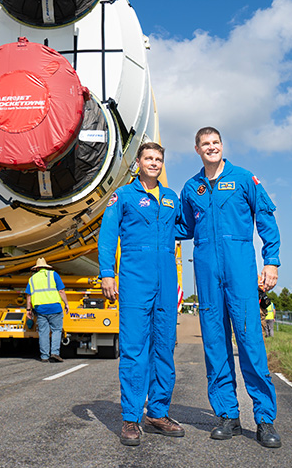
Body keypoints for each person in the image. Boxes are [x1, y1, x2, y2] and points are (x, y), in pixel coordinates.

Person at [178, 126, 283, 449]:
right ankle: (228, 416)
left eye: (216, 142)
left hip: (240, 272)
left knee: (251, 344)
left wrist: (271, 261)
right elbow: (183, 226)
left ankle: (264, 420)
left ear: (222, 146)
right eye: (205, 144)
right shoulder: (191, 187)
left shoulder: (244, 179)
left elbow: (266, 218)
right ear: (197, 149)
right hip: (207, 274)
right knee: (215, 345)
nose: (211, 147)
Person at [98, 141, 184, 446]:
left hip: (166, 278)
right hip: (135, 278)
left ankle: (157, 412)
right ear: (138, 162)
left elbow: (185, 227)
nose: (154, 163)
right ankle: (131, 417)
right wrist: (107, 273)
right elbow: (108, 235)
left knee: (165, 346)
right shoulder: (123, 196)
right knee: (135, 348)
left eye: (158, 159)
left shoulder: (171, 198)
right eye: (149, 158)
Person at [26, 258, 69, 363]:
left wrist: (28, 309)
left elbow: (28, 295)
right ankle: (55, 353)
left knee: (43, 333)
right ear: (46, 267)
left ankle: (44, 356)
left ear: (37, 268)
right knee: (56, 330)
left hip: (40, 309)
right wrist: (66, 303)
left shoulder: (32, 279)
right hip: (55, 308)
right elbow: (61, 291)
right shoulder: (53, 275)